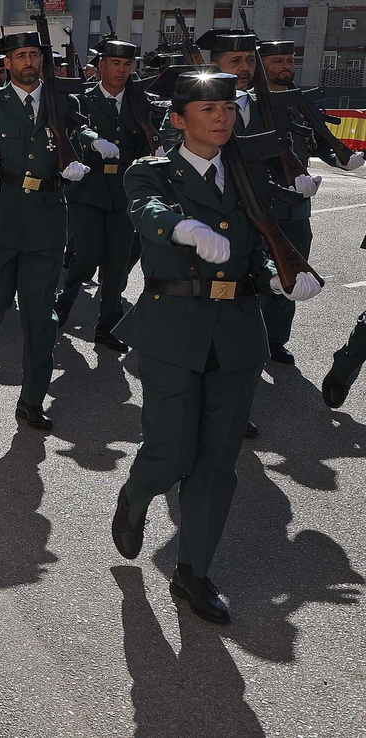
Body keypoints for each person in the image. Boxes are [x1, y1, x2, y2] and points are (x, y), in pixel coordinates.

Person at [110, 67, 322, 625]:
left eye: (228, 108)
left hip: (235, 335)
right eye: (208, 109)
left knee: (216, 464)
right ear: (179, 120)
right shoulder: (150, 171)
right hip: (172, 329)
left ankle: (193, 573)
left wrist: (283, 278)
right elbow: (146, 211)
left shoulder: (250, 174)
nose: (223, 117)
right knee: (170, 453)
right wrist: (183, 229)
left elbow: (266, 246)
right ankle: (137, 495)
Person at [0, 31, 96, 429]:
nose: (29, 61)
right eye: (21, 56)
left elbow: (78, 133)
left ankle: (32, 399)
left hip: (46, 221)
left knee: (41, 317)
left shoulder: (60, 101)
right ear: (8, 63)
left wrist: (80, 157)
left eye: (35, 54)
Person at [250, 38, 362, 364]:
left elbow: (318, 142)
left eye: (290, 60)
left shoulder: (302, 103)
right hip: (258, 207)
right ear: (261, 66)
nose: (287, 66)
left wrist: (341, 158)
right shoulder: (249, 105)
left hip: (297, 210)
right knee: (253, 278)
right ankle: (243, 340)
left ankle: (275, 340)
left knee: (293, 273)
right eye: (278, 61)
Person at [55, 38, 151, 351]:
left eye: (127, 64)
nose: (121, 70)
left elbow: (153, 132)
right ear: (101, 66)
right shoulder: (82, 98)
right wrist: (94, 141)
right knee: (86, 256)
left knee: (118, 262)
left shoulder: (141, 101)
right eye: (115, 63)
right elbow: (74, 130)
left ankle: (107, 326)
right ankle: (65, 300)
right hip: (89, 188)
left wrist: (159, 147)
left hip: (124, 190)